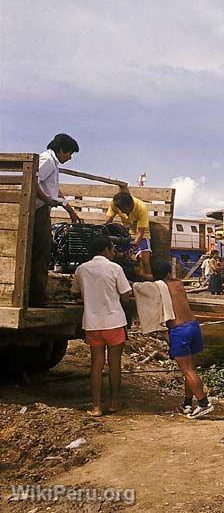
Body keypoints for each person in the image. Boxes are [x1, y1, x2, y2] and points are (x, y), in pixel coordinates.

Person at [71, 236, 132, 417]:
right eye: (112, 248)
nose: (114, 252)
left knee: (96, 364)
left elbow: (75, 293)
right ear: (106, 250)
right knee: (114, 364)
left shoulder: (81, 269)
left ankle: (96, 406)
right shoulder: (115, 268)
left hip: (92, 323)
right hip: (114, 322)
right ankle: (114, 403)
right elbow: (126, 294)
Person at [151, 261, 214, 419]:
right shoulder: (178, 283)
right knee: (191, 369)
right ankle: (187, 402)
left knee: (187, 371)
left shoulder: (157, 288)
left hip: (179, 330)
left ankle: (203, 403)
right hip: (192, 326)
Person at [32, 134, 82, 306]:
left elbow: (53, 189)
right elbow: (32, 181)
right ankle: (37, 299)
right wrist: (47, 200)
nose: (69, 157)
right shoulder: (47, 160)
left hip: (42, 210)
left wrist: (70, 210)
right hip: (37, 211)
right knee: (41, 253)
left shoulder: (52, 162)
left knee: (43, 252)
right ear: (61, 150)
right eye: (69, 153)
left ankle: (37, 296)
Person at [106, 191, 153, 280]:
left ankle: (149, 282)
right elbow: (108, 221)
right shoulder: (114, 203)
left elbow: (140, 232)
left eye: (125, 211)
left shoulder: (141, 207)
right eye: (121, 211)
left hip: (142, 234)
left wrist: (132, 248)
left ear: (131, 205)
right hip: (125, 234)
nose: (124, 213)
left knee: (144, 260)